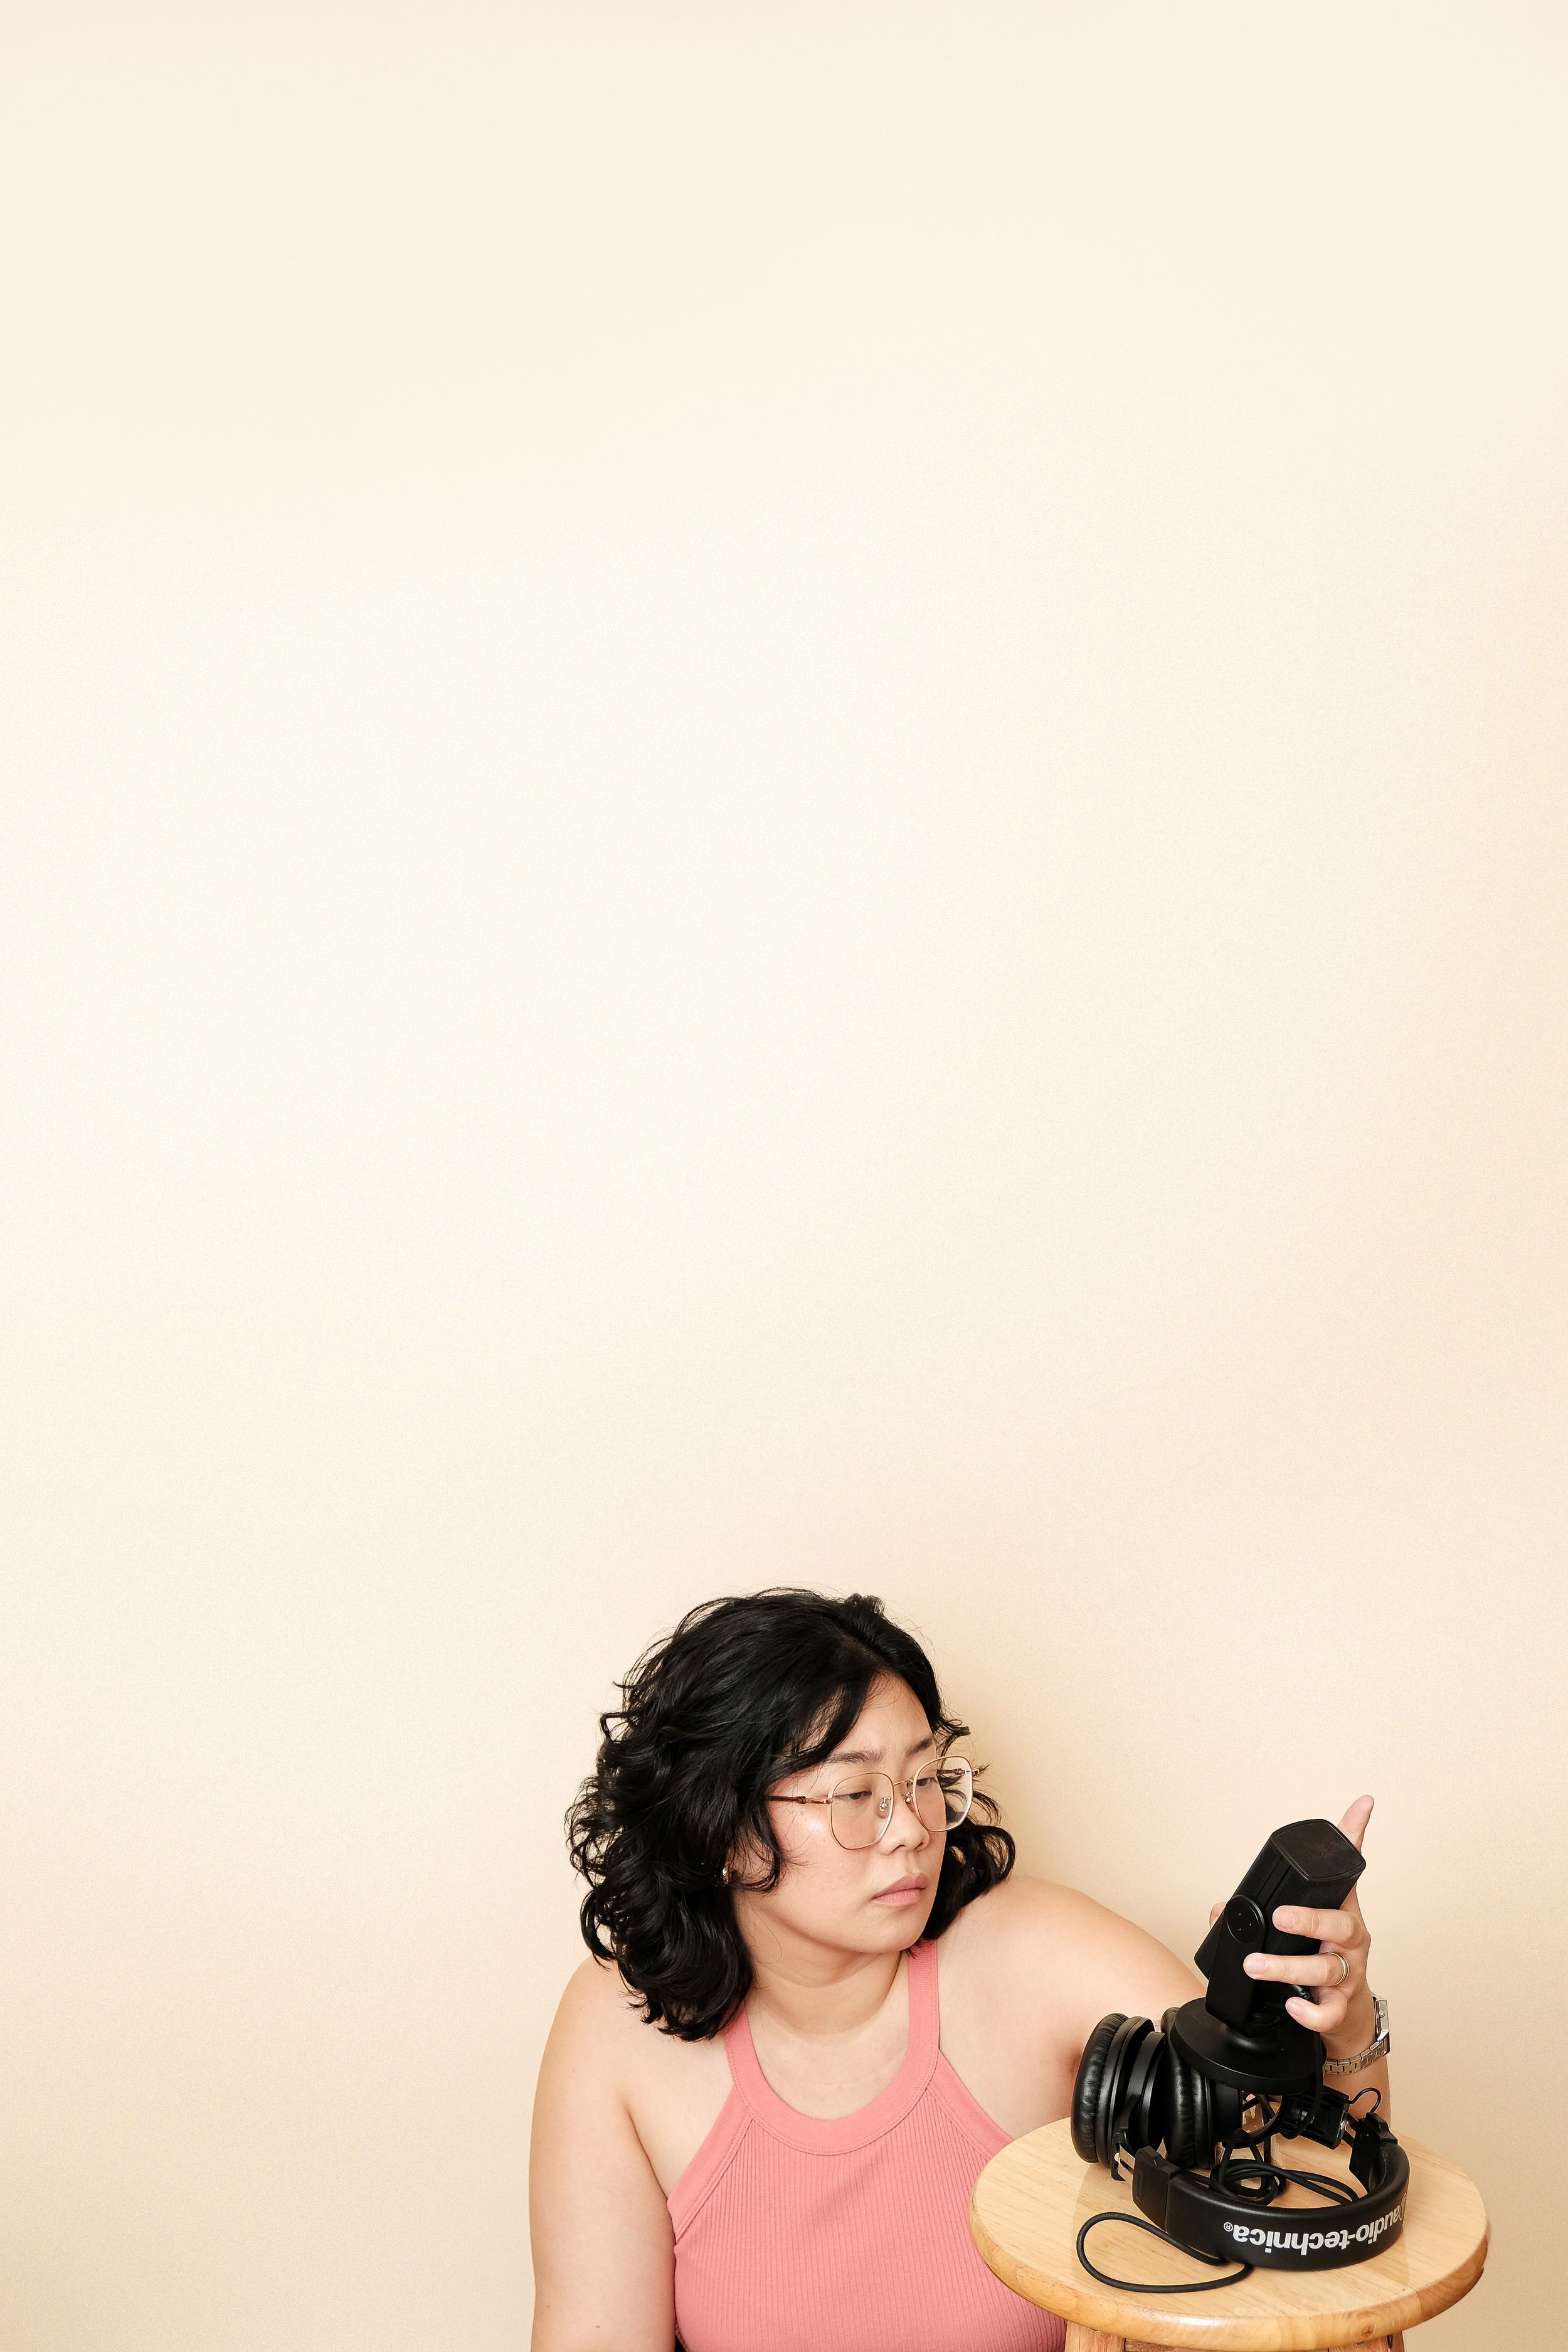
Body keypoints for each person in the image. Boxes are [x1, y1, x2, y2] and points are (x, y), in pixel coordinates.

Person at [530, 1591, 1387, 2352]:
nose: (911, 1826)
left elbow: (1312, 2193)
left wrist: (1338, 2025)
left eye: (924, 1776)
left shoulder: (1032, 1951)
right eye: (854, 1793)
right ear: (720, 1828)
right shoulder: (617, 2025)